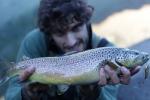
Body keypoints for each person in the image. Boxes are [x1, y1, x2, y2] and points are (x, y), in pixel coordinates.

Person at [5, 0, 140, 100]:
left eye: (76, 28)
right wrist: (26, 95)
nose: (71, 42)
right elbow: (11, 94)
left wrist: (92, 93)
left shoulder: (109, 53)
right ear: (48, 33)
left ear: (86, 22)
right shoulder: (34, 42)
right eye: (59, 33)